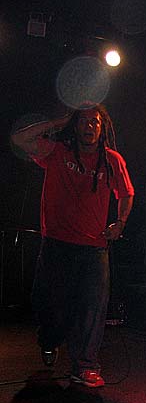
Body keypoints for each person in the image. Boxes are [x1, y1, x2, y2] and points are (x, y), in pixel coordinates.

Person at [10, 103, 134, 388]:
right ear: (75, 126)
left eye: (95, 122)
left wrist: (120, 222)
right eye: (83, 121)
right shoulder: (57, 152)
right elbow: (19, 139)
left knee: (92, 308)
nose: (89, 126)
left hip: (94, 246)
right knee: (51, 307)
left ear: (102, 128)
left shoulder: (111, 160)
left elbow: (126, 193)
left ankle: (86, 365)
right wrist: (58, 121)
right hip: (57, 243)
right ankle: (49, 340)